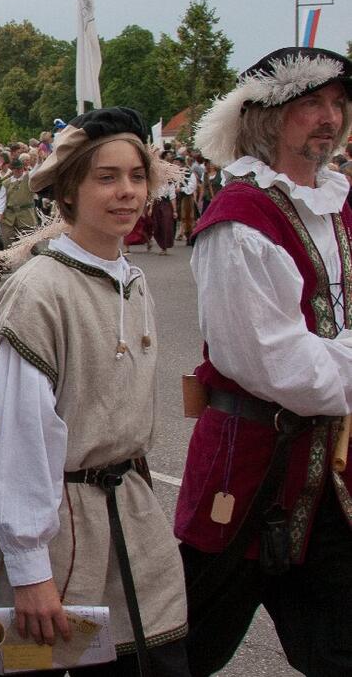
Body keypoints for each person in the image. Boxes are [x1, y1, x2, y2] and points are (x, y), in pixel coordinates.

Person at [0, 107, 189, 676]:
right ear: (68, 191)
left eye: (137, 176)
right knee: (35, 664)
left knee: (161, 660)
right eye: (106, 177)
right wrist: (29, 569)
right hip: (56, 534)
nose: (127, 192)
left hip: (133, 522)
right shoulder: (39, 291)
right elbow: (15, 436)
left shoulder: (131, 278)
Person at [176, 48, 352, 676]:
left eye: (336, 103)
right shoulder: (240, 220)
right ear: (266, 118)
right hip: (246, 472)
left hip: (326, 479)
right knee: (186, 651)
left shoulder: (340, 208)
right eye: (311, 104)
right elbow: (271, 361)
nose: (329, 118)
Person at [0, 157, 38, 244]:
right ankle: (12, 257)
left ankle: (33, 256)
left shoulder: (28, 178)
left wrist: (39, 161)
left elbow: (37, 170)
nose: (19, 170)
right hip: (9, 216)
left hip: (26, 215)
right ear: (12, 169)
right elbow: (2, 199)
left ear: (23, 168)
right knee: (8, 242)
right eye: (16, 168)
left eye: (20, 168)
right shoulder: (6, 183)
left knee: (30, 244)